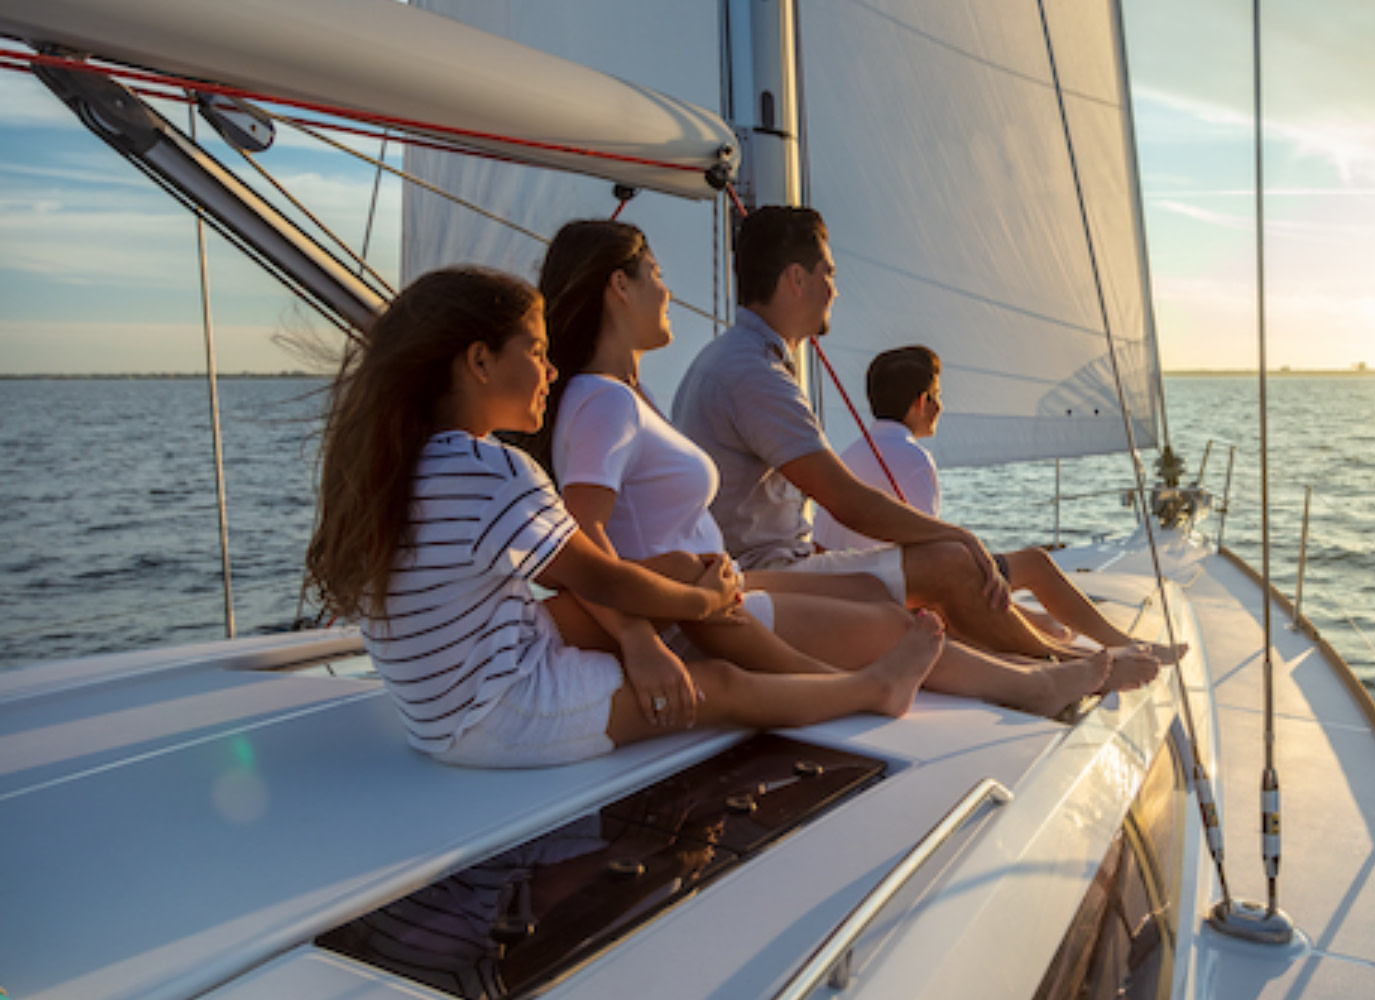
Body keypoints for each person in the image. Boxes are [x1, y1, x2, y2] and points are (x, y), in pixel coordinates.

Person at [303, 267, 941, 769]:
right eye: (536, 351)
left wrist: (670, 608)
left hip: (450, 696)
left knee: (683, 569)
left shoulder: (410, 462)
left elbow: (587, 575)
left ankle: (777, 644)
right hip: (495, 712)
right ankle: (871, 689)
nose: (552, 371)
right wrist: (699, 609)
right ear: (478, 362)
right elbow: (596, 578)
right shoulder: (490, 470)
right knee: (716, 682)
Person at [533, 220, 1147, 716]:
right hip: (692, 606)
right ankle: (1037, 681)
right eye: (656, 276)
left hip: (711, 585)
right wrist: (639, 640)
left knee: (882, 602)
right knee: (919, 595)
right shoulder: (626, 394)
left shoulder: (629, 394)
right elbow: (584, 534)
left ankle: (1043, 667)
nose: (667, 291)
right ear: (620, 287)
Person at [672, 206, 1142, 665]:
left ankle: (1057, 655)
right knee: (951, 562)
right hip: (764, 576)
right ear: (796, 279)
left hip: (756, 567)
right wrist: (963, 539)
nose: (835, 290)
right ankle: (1062, 664)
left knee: (946, 561)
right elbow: (847, 501)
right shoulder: (754, 373)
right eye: (828, 274)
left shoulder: (731, 360)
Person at [816, 346, 1182, 657]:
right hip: (893, 591)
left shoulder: (849, 453)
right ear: (921, 402)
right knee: (1036, 564)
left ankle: (1045, 624)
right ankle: (1126, 646)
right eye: (938, 395)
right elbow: (933, 562)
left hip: (855, 587)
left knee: (1021, 599)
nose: (941, 405)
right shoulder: (913, 460)